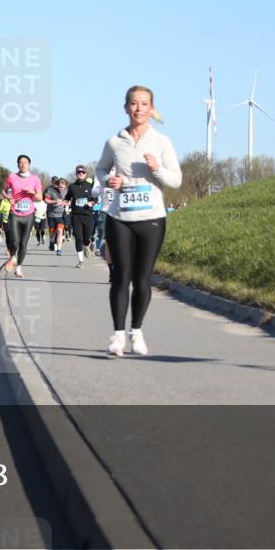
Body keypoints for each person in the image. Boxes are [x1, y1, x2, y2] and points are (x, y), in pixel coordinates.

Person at [96, 85, 182, 357]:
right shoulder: (114, 142)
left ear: (151, 109)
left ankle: (137, 331)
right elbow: (101, 169)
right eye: (133, 103)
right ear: (126, 108)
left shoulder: (161, 141)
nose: (139, 108)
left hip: (151, 218)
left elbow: (176, 180)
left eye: (144, 104)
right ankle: (118, 335)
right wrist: (109, 180)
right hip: (119, 217)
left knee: (142, 279)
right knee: (120, 276)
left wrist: (157, 169)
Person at [2, 155, 43, 278]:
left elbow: (40, 197)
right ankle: (13, 257)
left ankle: (19, 268)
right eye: (20, 162)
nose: (23, 164)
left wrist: (33, 193)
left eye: (25, 162)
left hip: (29, 215)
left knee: (24, 243)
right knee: (14, 241)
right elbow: (4, 191)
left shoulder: (35, 179)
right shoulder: (12, 177)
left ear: (29, 164)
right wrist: (9, 197)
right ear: (17, 165)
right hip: (15, 213)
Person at [65, 165, 97, 268]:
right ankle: (80, 260)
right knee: (78, 238)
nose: (81, 174)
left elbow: (95, 198)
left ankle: (86, 245)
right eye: (79, 172)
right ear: (76, 174)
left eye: (83, 172)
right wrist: (63, 202)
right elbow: (67, 198)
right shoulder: (72, 186)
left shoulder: (90, 185)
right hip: (76, 216)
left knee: (86, 237)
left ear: (86, 174)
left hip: (88, 215)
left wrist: (92, 203)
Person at [44, 177, 69, 255]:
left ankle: (59, 249)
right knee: (52, 232)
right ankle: (51, 241)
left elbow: (69, 202)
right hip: (51, 214)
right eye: (60, 187)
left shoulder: (67, 191)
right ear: (57, 185)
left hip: (61, 215)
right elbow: (46, 200)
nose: (62, 189)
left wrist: (64, 203)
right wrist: (55, 201)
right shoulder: (50, 190)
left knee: (60, 231)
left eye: (63, 187)